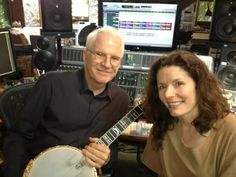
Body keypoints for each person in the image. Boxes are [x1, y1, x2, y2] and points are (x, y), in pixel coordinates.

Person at [2, 26, 129, 177]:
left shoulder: (121, 99)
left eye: (114, 58)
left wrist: (106, 159)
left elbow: (111, 147)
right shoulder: (50, 84)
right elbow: (18, 137)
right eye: (100, 54)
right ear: (85, 56)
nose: (107, 64)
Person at [139, 50, 236, 177]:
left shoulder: (231, 130)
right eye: (162, 87)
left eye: (178, 83)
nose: (168, 94)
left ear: (199, 85)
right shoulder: (162, 126)